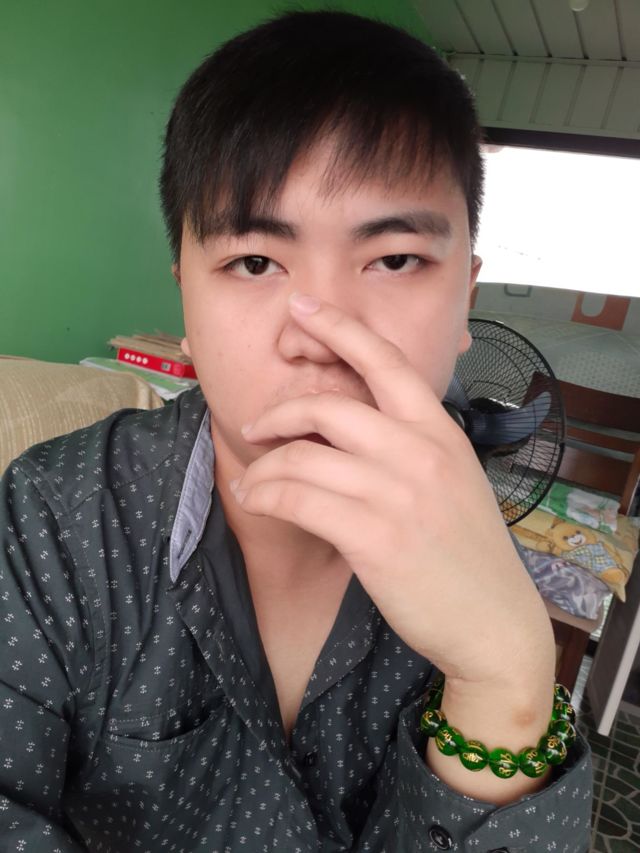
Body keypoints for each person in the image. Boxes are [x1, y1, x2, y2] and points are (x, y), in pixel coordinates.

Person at [0, 9, 592, 852]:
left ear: (466, 298)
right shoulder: (48, 524)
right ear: (186, 299)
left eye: (395, 259)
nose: (320, 337)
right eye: (255, 262)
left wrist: (507, 677)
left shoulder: (483, 569)